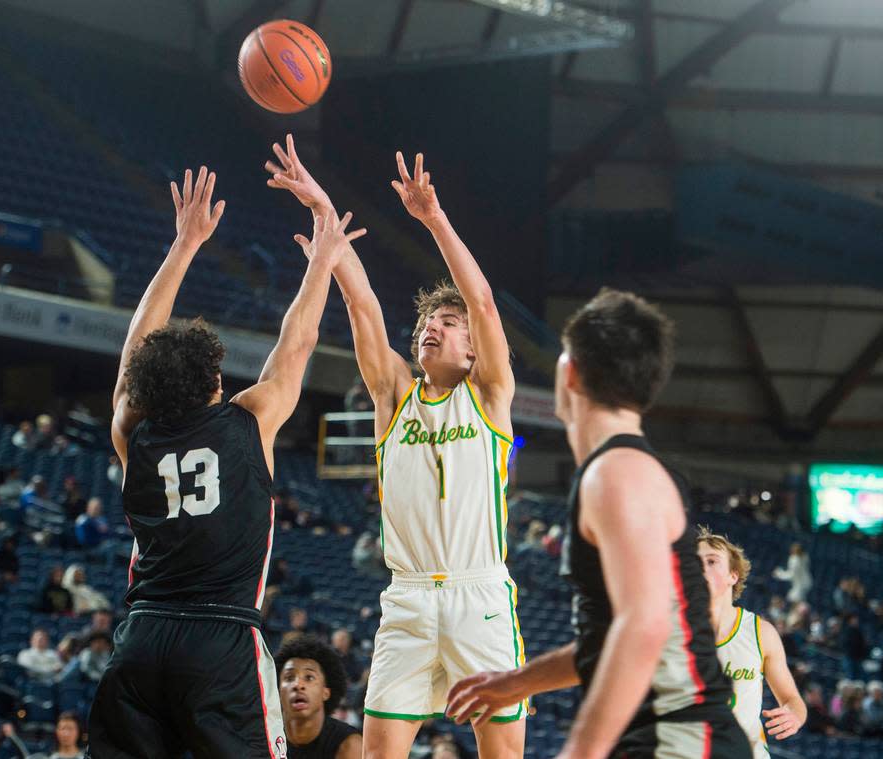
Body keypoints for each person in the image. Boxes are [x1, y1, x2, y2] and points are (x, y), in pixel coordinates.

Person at [86, 165, 364, 758]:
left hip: (141, 638)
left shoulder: (133, 433)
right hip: (221, 639)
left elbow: (136, 347)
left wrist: (183, 245)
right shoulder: (248, 422)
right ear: (215, 380)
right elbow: (298, 342)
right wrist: (322, 260)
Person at [266, 135, 525, 757]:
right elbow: (359, 301)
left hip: (478, 594)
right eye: (425, 323)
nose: (430, 327)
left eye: (447, 323)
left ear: (472, 347)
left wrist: (432, 218)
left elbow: (484, 302)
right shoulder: (392, 396)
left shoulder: (489, 395)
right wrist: (321, 210)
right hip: (407, 597)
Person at [446, 290, 749, 757]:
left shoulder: (617, 474)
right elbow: (612, 636)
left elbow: (643, 626)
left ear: (569, 373)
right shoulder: (625, 469)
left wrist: (580, 751)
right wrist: (517, 683)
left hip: (679, 739)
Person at [697, 527, 806, 756]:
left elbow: (791, 699)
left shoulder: (760, 632)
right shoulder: (667, 632)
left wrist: (794, 715)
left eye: (712, 561)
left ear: (732, 575)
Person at [275, 635, 362, 759]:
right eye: (289, 678)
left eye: (309, 677)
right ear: (278, 692)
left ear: (326, 692)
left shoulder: (349, 744)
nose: (298, 685)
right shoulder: (262, 736)